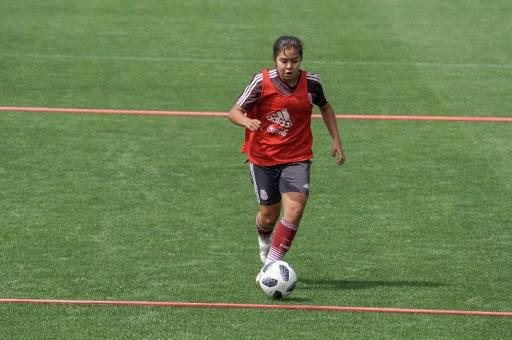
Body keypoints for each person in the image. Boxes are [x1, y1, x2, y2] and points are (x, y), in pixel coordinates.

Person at [228, 35, 345, 275]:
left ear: (301, 60)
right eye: (283, 61)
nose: (289, 66)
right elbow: (235, 111)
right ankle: (264, 239)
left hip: (297, 157)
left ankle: (270, 268)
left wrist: (336, 140)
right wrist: (246, 122)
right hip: (263, 158)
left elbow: (325, 107)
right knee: (269, 216)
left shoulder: (312, 83)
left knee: (295, 211)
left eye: (294, 60)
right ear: (275, 60)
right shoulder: (261, 82)